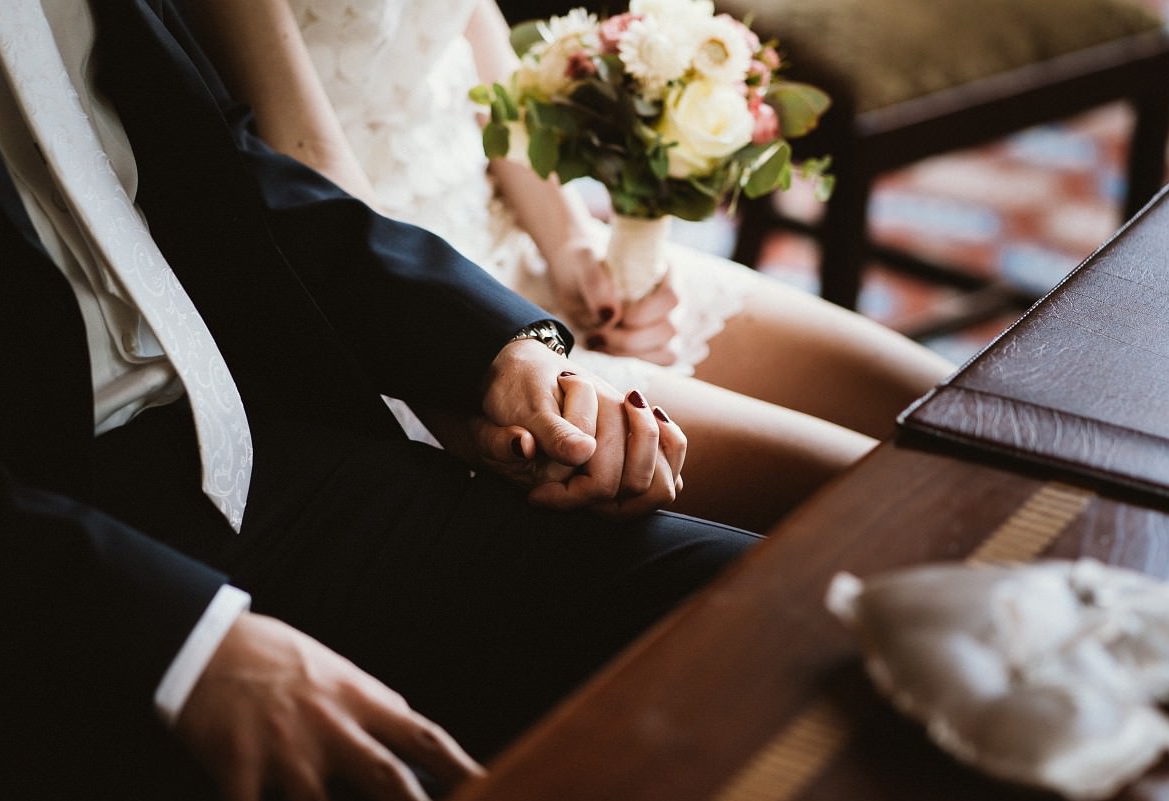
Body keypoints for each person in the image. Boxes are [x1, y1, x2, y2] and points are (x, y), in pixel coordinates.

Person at [0, 1, 756, 801]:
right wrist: (177, 643)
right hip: (19, 552)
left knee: (744, 608)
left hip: (242, 438)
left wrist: (496, 357)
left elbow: (227, 171)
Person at [184, 0, 957, 533]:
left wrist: (570, 245)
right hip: (419, 322)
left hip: (511, 232)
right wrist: (491, 337)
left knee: (958, 412)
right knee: (893, 494)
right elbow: (310, 167)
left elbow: (476, 52)